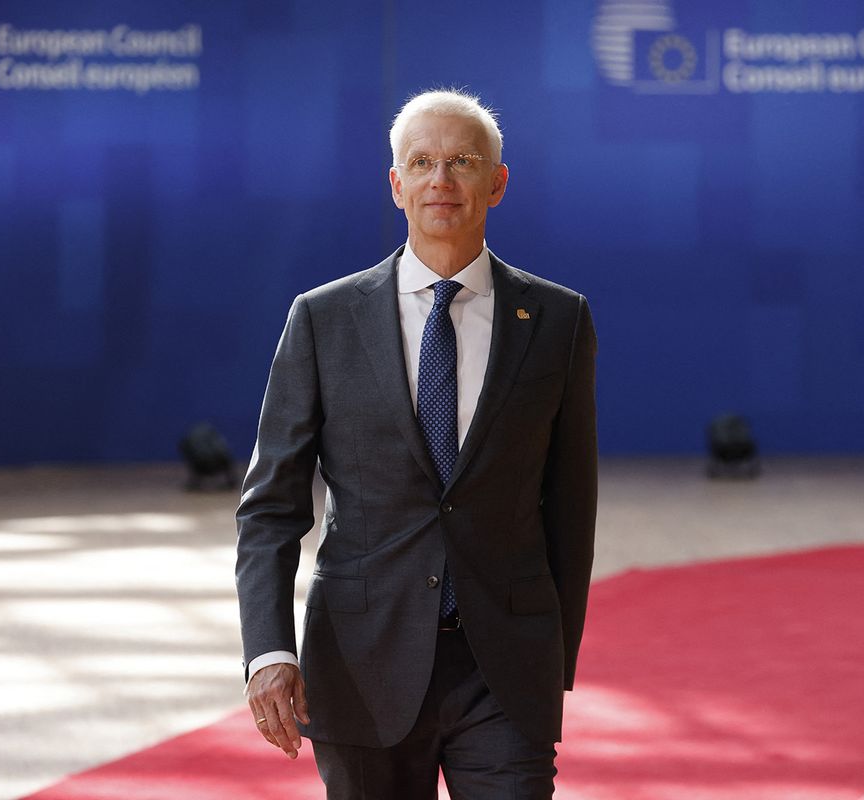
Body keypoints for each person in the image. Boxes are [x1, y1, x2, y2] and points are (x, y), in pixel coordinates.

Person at [235, 88, 597, 799]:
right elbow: (270, 507)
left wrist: (553, 660)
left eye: (463, 161)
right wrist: (269, 653)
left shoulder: (558, 320)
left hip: (505, 670)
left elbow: (571, 505)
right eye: (423, 162)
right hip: (361, 662)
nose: (442, 180)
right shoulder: (322, 319)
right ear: (396, 184)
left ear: (497, 181)